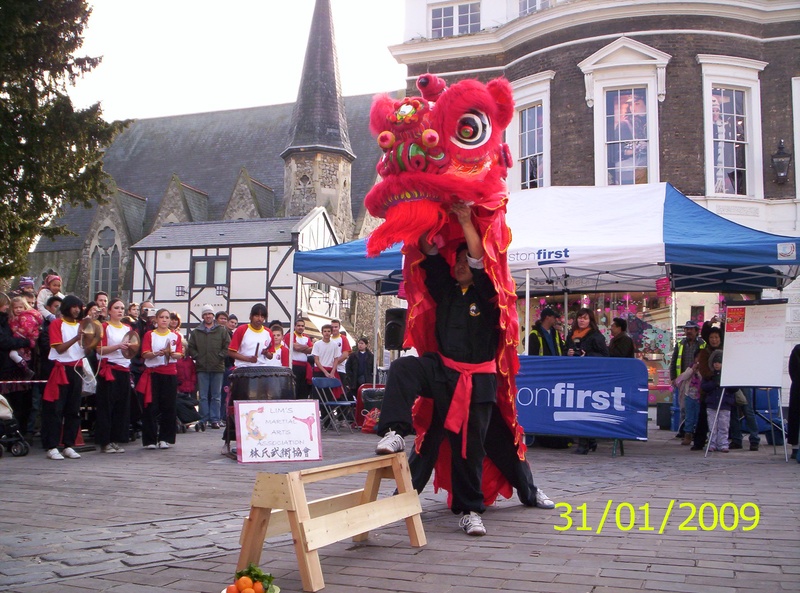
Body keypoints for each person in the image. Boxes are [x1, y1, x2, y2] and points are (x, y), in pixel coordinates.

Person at [375, 202, 554, 537]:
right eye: (454, 260)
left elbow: (479, 258)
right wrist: (426, 214)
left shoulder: (488, 295)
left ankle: (475, 509)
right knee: (403, 369)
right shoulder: (445, 290)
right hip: (442, 373)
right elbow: (426, 251)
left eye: (464, 261)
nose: (458, 265)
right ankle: (394, 432)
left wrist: (463, 220)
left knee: (477, 447)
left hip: (479, 382)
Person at [41, 295, 86, 460]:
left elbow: (86, 350)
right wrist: (76, 338)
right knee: (55, 409)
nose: (76, 310)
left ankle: (68, 444)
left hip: (76, 369)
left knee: (73, 409)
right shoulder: (57, 324)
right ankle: (52, 446)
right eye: (73, 306)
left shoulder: (82, 325)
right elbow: (59, 349)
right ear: (67, 307)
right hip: (60, 369)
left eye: (78, 307)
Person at [565, 307, 609, 454]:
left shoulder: (596, 336)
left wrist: (588, 355)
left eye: (585, 318)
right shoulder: (571, 335)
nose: (581, 320)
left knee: (585, 409)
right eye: (580, 317)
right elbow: (564, 352)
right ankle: (590, 440)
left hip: (590, 378)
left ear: (590, 320)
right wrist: (569, 353)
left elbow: (605, 356)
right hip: (574, 376)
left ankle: (584, 443)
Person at [137, 308, 182, 449]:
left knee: (168, 406)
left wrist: (173, 354)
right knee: (151, 406)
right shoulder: (150, 335)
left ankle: (165, 438)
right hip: (153, 373)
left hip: (169, 373)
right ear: (156, 319)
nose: (164, 320)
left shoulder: (176, 336)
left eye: (167, 317)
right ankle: (150, 440)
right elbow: (145, 354)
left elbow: (180, 354)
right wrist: (157, 353)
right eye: (161, 317)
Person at [95, 298, 132, 453]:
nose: (120, 310)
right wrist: (118, 346)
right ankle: (105, 441)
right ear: (109, 310)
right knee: (106, 407)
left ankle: (116, 439)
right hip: (109, 369)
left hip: (124, 370)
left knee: (121, 408)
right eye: (116, 307)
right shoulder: (104, 327)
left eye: (122, 308)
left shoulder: (128, 328)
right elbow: (99, 350)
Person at [187, 304, 230, 430]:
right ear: (202, 316)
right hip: (202, 367)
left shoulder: (222, 331)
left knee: (216, 396)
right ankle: (203, 419)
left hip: (218, 367)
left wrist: (220, 357)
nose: (208, 316)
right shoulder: (196, 332)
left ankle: (215, 419)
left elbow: (227, 346)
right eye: (205, 314)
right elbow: (191, 347)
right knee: (204, 396)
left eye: (210, 314)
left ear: (213, 316)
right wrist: (197, 357)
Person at [0, 293, 34, 442]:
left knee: (19, 404)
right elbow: (4, 342)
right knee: (8, 404)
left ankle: (17, 432)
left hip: (14, 369)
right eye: (6, 305)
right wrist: (24, 343)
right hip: (5, 369)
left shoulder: (8, 320)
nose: (7, 308)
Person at [670, 320, 706, 439]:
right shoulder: (680, 343)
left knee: (696, 407)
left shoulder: (702, 344)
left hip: (698, 379)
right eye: (687, 329)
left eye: (691, 329)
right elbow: (674, 361)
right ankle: (683, 430)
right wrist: (673, 377)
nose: (688, 331)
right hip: (684, 379)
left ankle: (694, 430)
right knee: (683, 406)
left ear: (696, 331)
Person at [691, 326, 720, 451]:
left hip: (723, 389)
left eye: (716, 337)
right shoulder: (704, 352)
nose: (714, 340)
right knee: (703, 416)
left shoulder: (725, 351)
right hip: (708, 388)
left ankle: (729, 440)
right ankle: (699, 441)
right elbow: (703, 370)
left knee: (727, 416)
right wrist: (715, 377)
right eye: (712, 337)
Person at [701, 350, 735, 453]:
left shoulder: (728, 376)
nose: (717, 364)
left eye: (719, 362)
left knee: (723, 426)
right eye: (715, 362)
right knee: (712, 426)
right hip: (712, 404)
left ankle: (723, 444)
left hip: (725, 404)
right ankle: (712, 443)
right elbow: (704, 387)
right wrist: (714, 383)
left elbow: (735, 388)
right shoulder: (709, 376)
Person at [227, 304, 273, 368]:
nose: (259, 319)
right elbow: (230, 352)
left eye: (262, 316)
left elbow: (271, 356)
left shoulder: (268, 332)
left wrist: (266, 353)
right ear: (251, 316)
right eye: (257, 316)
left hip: (261, 369)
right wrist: (248, 359)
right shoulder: (241, 330)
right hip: (243, 368)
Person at [674, 350, 703, 446]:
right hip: (689, 395)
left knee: (698, 416)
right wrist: (692, 370)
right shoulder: (690, 367)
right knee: (689, 416)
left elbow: (703, 380)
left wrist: (699, 372)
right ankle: (688, 434)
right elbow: (683, 377)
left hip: (699, 397)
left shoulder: (705, 369)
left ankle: (698, 434)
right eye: (697, 357)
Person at [284, 317, 314, 399]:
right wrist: (306, 347)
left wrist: (301, 347)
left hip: (304, 367)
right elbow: (295, 347)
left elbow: (311, 350)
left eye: (302, 326)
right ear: (295, 326)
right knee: (294, 389)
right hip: (294, 366)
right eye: (298, 325)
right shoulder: (289, 336)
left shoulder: (306, 337)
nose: (300, 327)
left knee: (303, 389)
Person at [330, 320, 351, 392]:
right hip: (328, 370)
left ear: (339, 327)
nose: (334, 329)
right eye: (332, 327)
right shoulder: (327, 339)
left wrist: (334, 364)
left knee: (341, 392)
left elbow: (345, 355)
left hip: (340, 370)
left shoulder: (343, 339)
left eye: (336, 327)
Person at [788, 343, 800, 461]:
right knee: (796, 417)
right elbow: (793, 370)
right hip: (798, 388)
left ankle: (796, 448)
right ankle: (796, 448)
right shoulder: (797, 349)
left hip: (797, 386)